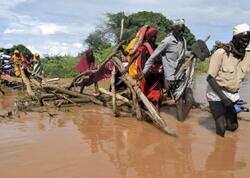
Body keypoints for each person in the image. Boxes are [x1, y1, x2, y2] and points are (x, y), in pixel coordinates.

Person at [206, 23, 250, 137]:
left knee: (233, 127)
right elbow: (210, 78)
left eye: (247, 41)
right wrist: (224, 99)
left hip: (233, 94)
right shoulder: (221, 53)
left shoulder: (247, 56)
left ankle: (223, 114)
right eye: (243, 40)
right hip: (216, 92)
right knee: (221, 128)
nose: (245, 43)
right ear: (235, 38)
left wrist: (229, 100)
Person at [140, 19, 187, 91]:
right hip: (170, 76)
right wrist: (144, 72)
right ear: (174, 30)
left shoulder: (183, 41)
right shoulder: (167, 41)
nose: (181, 33)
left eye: (182, 31)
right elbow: (152, 57)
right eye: (179, 31)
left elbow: (182, 56)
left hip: (180, 73)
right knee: (173, 95)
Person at [135, 27, 163, 109]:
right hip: (157, 73)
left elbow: (142, 62)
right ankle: (155, 107)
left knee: (143, 91)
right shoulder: (157, 47)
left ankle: (141, 107)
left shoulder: (144, 48)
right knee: (155, 92)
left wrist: (143, 73)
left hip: (148, 74)